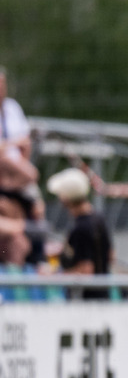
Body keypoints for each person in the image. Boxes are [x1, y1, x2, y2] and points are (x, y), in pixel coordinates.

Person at [46, 167, 113, 300]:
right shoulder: (98, 219)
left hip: (85, 302)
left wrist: (53, 277)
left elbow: (86, 272)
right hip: (103, 296)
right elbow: (110, 256)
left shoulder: (80, 228)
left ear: (66, 198)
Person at [0, 66, 40, 266]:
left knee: (37, 205)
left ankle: (38, 255)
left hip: (15, 169)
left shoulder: (12, 108)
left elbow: (25, 142)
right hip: (4, 163)